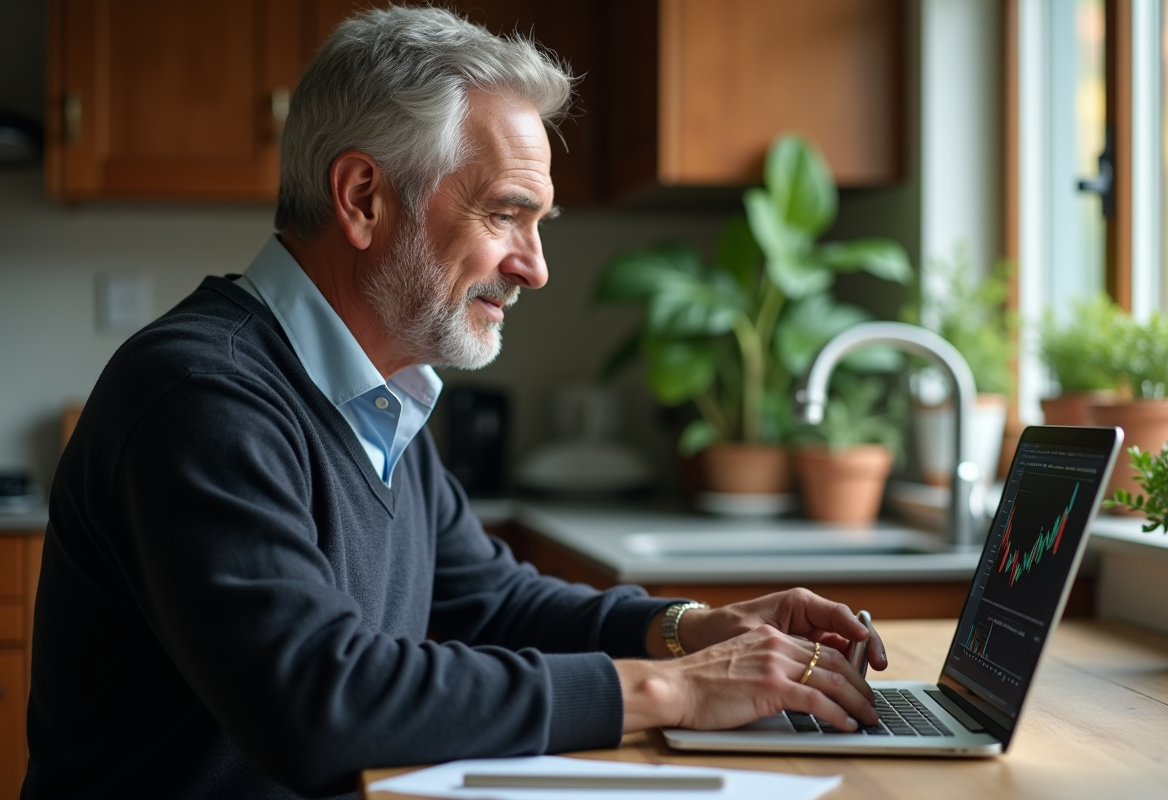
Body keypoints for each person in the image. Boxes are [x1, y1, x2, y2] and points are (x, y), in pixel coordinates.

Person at [23, 6, 887, 800]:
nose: (535, 266)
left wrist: (689, 628)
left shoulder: (379, 396)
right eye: (507, 215)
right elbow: (323, 701)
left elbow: (487, 604)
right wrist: (676, 691)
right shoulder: (202, 398)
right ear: (363, 198)